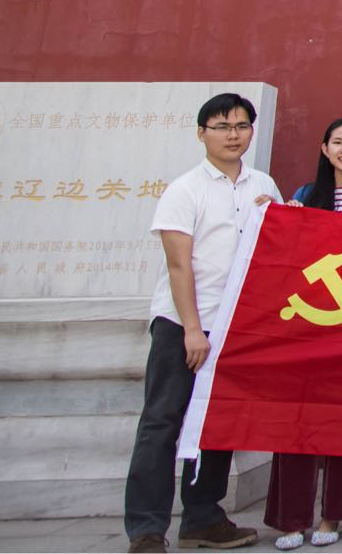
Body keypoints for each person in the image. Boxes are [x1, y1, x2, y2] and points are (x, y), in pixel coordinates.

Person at [124, 92, 279, 554]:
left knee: (217, 423)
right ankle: (147, 528)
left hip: (236, 325)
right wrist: (192, 328)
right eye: (222, 126)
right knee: (162, 422)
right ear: (201, 133)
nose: (233, 135)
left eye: (241, 126)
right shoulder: (185, 189)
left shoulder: (263, 184)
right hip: (183, 323)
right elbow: (178, 265)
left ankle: (203, 518)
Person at [265, 118, 342, 550]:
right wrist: (281, 216)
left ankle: (331, 515)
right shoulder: (305, 194)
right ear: (324, 148)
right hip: (308, 325)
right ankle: (291, 518)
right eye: (338, 142)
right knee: (297, 422)